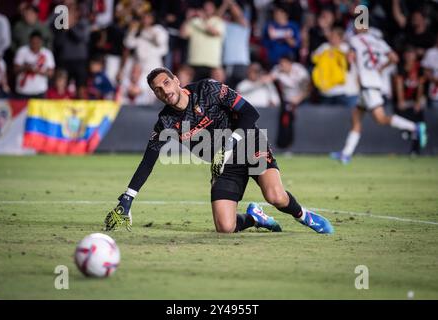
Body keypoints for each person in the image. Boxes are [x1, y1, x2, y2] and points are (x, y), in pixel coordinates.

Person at [104, 67, 334, 235]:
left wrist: (229, 145)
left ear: (176, 81)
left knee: (276, 197)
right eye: (158, 90)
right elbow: (147, 162)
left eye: (166, 83)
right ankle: (255, 217)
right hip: (223, 164)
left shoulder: (208, 89)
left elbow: (250, 113)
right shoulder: (165, 122)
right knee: (225, 227)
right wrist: (127, 199)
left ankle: (305, 216)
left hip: (249, 142)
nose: (164, 91)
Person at [331, 26, 428, 164]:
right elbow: (394, 58)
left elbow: (350, 59)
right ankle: (346, 154)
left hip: (367, 85)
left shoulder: (354, 40)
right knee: (356, 117)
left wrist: (347, 63)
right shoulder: (378, 41)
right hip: (374, 82)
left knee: (381, 119)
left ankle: (414, 127)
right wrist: (381, 68)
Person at [180, 1, 226, 81]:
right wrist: (187, 19)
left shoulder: (218, 21)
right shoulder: (194, 21)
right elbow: (183, 34)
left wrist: (203, 20)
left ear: (214, 9)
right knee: (183, 75)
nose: (207, 9)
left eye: (210, 7)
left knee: (219, 82)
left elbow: (214, 32)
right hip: (194, 61)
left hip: (213, 63)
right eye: (205, 7)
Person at [14, 31, 55, 99]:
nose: (35, 45)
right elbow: (15, 70)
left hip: (40, 91)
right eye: (33, 43)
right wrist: (26, 67)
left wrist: (38, 71)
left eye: (37, 43)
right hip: (23, 91)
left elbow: (51, 73)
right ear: (29, 41)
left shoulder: (47, 53)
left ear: (41, 42)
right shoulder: (22, 51)